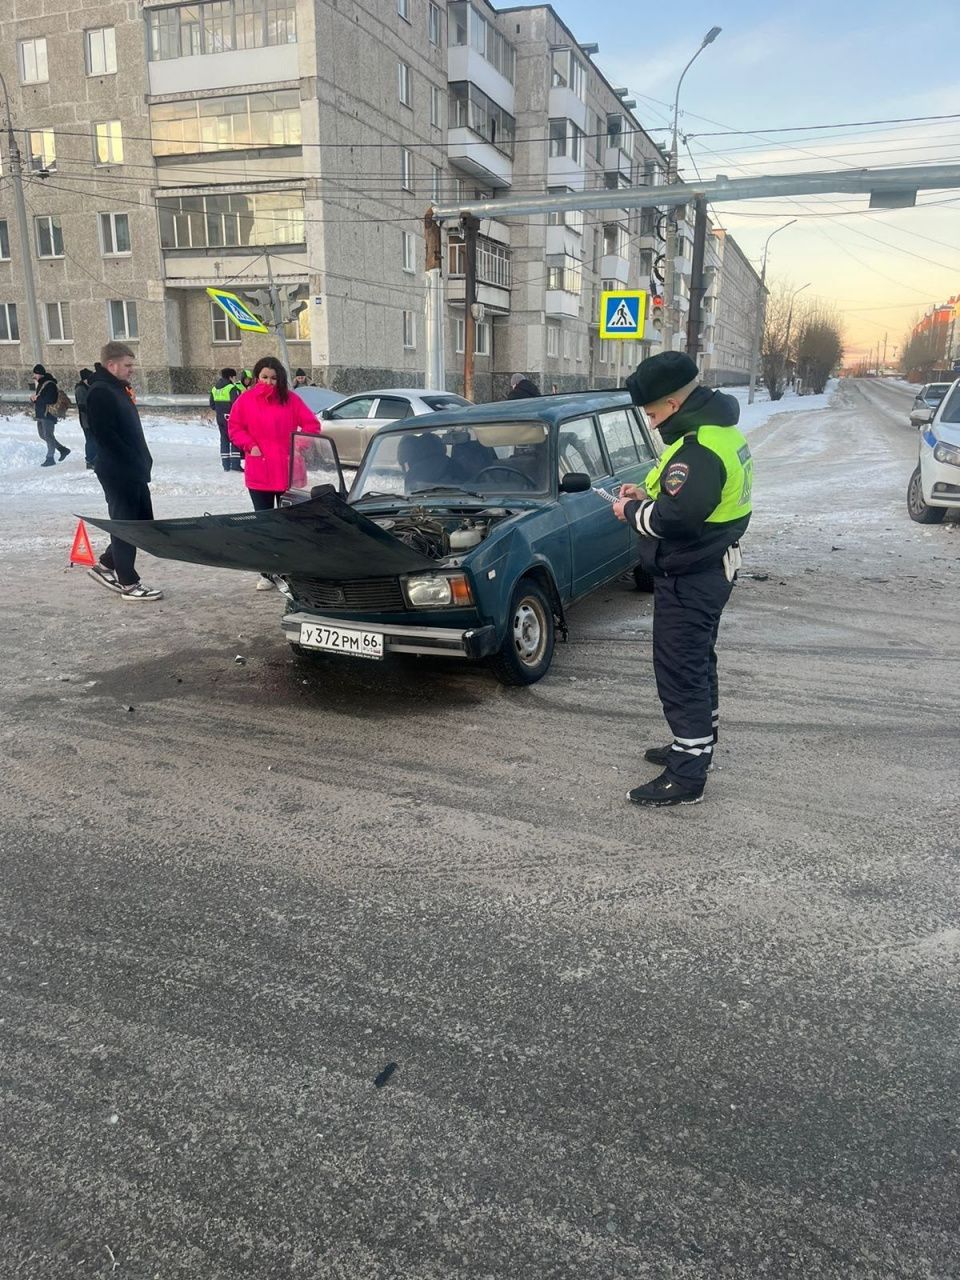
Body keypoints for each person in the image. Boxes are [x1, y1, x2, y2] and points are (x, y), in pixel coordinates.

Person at [612, 351, 752, 807]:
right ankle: (697, 742)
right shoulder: (715, 433)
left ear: (672, 404)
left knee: (681, 670)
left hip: (692, 573)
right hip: (709, 568)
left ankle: (688, 774)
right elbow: (682, 490)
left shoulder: (699, 448)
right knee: (697, 662)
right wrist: (646, 490)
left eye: (652, 412)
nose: (650, 422)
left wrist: (631, 511)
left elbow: (678, 518)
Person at [227, 356, 323, 590]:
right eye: (264, 377)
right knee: (264, 522)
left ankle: (290, 568)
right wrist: (251, 445)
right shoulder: (245, 400)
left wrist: (297, 447)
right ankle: (267, 571)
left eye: (273, 378)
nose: (269, 382)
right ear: (256, 376)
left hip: (288, 470)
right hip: (260, 470)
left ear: (280, 379)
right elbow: (235, 428)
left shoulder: (290, 399)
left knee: (289, 522)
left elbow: (312, 425)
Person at [85, 342, 163, 601]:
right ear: (112, 365)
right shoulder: (100, 392)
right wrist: (131, 460)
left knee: (141, 523)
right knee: (125, 525)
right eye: (128, 365)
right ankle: (128, 583)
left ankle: (107, 564)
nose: (132, 370)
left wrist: (142, 461)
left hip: (133, 468)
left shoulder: (116, 388)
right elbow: (105, 436)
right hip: (118, 470)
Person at [31, 365, 70, 467]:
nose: (34, 375)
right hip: (41, 414)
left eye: (35, 373)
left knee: (48, 435)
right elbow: (41, 398)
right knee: (42, 435)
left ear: (39, 373)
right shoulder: (41, 384)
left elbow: (50, 399)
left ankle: (50, 458)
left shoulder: (50, 384)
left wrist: (37, 399)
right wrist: (34, 399)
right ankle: (63, 449)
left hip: (48, 414)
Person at [208, 367, 244, 471]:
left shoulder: (214, 388)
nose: (235, 379)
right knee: (234, 438)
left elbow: (212, 405)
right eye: (234, 377)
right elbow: (236, 404)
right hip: (230, 417)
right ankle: (235, 464)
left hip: (219, 417)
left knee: (224, 439)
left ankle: (226, 465)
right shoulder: (231, 388)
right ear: (230, 377)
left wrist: (220, 410)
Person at [75, 368, 96, 469]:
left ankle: (94, 459)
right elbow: (82, 406)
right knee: (90, 440)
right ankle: (90, 460)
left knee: (94, 440)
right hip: (86, 421)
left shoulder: (88, 387)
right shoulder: (81, 389)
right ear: (85, 379)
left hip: (92, 419)